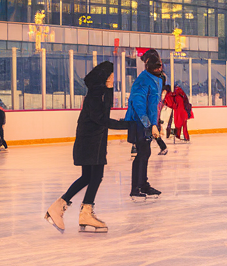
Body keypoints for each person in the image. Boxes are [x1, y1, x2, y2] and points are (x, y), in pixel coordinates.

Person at [45, 61, 128, 232]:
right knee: (95, 176)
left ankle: (62, 208)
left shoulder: (97, 93)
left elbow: (105, 111)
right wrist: (130, 125)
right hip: (91, 142)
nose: (113, 76)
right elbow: (102, 119)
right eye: (110, 74)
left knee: (89, 177)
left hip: (91, 141)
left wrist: (110, 88)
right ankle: (82, 211)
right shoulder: (96, 95)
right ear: (103, 77)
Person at [126, 49, 164, 198]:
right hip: (139, 122)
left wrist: (154, 123)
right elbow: (138, 103)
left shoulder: (156, 79)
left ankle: (143, 184)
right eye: (156, 67)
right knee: (142, 153)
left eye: (159, 66)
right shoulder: (144, 80)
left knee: (145, 153)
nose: (158, 69)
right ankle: (136, 187)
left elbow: (153, 105)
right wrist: (148, 124)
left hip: (148, 122)